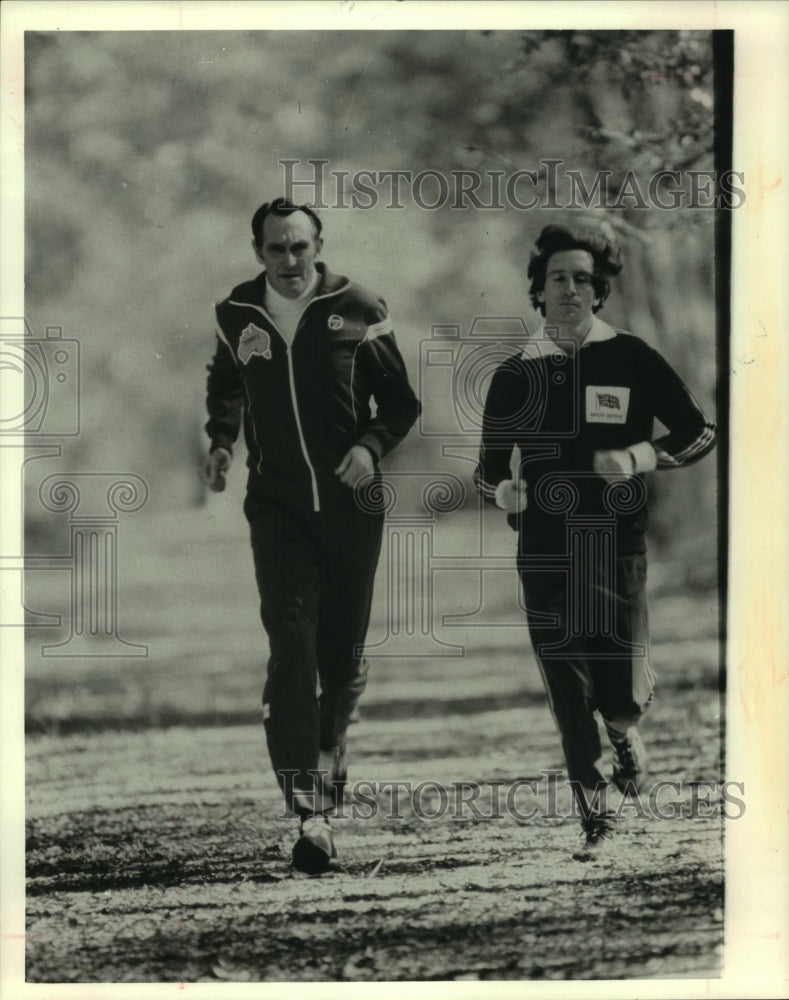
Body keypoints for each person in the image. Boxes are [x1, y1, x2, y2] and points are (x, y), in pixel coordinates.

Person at [474, 223, 716, 856]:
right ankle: (594, 804)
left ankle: (625, 729)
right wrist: (505, 493)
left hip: (617, 547)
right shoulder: (514, 375)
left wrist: (638, 456)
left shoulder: (631, 357)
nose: (571, 289)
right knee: (567, 685)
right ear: (539, 289)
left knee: (622, 692)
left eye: (583, 279)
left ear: (599, 290)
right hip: (545, 550)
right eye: (558, 277)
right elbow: (488, 471)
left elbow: (698, 432)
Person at [204, 197, 421, 874]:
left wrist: (368, 446)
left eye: (300, 246)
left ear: (317, 247)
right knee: (292, 643)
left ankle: (331, 751)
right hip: (278, 508)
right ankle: (311, 812)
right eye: (276, 248)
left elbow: (401, 402)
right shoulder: (237, 313)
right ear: (259, 253)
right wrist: (221, 441)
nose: (289, 260)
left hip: (353, 505)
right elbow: (226, 382)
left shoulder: (358, 306)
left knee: (341, 658)